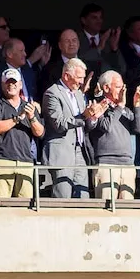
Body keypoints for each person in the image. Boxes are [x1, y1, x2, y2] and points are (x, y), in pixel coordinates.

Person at [43, 57, 105, 199]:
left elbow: (85, 124)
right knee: (62, 197)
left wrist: (94, 117)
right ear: (66, 76)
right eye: (79, 78)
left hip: (80, 151)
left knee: (83, 196)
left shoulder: (78, 94)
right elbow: (59, 124)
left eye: (83, 78)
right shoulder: (52, 93)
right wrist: (84, 116)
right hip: (62, 153)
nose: (82, 82)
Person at [0, 67, 43, 199]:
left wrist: (32, 117)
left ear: (21, 84)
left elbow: (40, 133)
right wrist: (18, 118)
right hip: (2, 161)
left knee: (25, 208)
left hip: (25, 162)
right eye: (8, 82)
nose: (11, 85)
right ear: (2, 84)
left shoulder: (29, 106)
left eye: (14, 82)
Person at [88, 70, 140, 200]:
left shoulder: (124, 108)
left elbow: (139, 128)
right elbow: (106, 126)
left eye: (123, 87)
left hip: (127, 165)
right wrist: (119, 107)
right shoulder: (99, 106)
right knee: (106, 209)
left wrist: (136, 105)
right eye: (119, 87)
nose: (122, 91)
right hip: (106, 164)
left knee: (127, 211)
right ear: (106, 87)